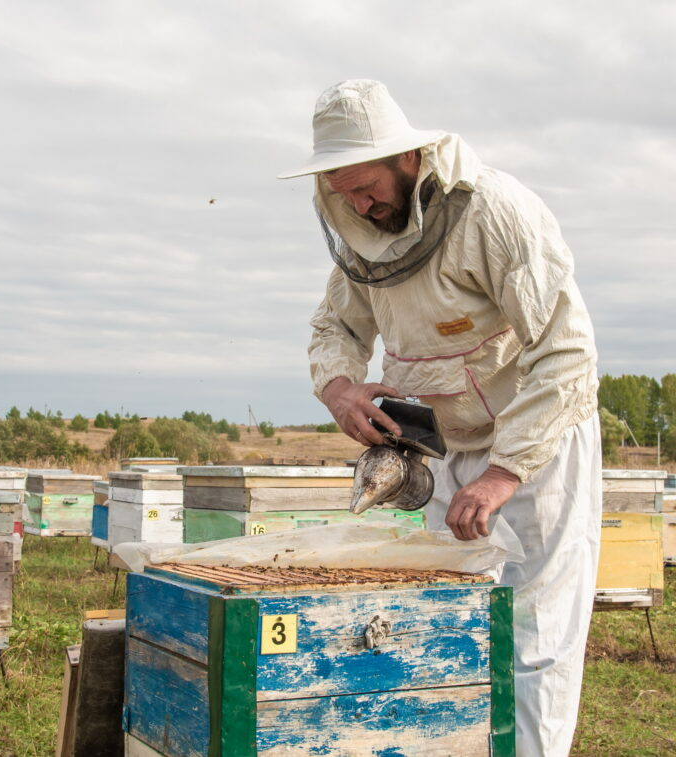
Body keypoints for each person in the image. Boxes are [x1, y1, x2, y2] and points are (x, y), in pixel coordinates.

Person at [279, 79, 601, 757]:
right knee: (447, 628)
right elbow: (334, 325)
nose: (359, 203)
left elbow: (566, 351)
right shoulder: (361, 235)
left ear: (409, 160)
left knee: (534, 637)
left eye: (367, 187)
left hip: (537, 449)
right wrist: (340, 390)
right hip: (448, 447)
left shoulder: (495, 213)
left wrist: (506, 472)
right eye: (343, 194)